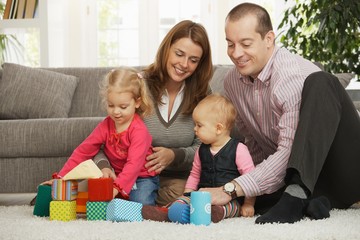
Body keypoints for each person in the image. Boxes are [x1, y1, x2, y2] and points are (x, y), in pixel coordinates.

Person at [200, 2, 360, 224]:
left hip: (347, 168)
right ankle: (312, 201)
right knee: (253, 198)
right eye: (230, 44)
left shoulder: (289, 75)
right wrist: (247, 192)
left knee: (321, 81)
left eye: (246, 44)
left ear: (268, 39)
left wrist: (231, 188)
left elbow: (290, 151)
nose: (236, 54)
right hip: (311, 182)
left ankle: (297, 196)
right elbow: (252, 143)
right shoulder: (232, 82)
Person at [96, 20, 213, 206]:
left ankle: (138, 203)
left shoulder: (202, 94)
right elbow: (103, 139)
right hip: (133, 177)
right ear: (167, 49)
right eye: (179, 54)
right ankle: (139, 202)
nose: (184, 64)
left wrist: (175, 155)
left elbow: (207, 146)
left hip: (176, 182)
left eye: (193, 60)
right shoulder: (139, 85)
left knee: (192, 193)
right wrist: (104, 167)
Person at [42, 68, 159, 206]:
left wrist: (116, 189)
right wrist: (61, 177)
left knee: (140, 203)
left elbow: (133, 166)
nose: (116, 112)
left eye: (123, 107)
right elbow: (84, 150)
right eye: (111, 105)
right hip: (114, 174)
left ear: (137, 103)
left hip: (142, 177)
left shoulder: (139, 131)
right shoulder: (106, 125)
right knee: (93, 197)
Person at [142, 93, 256, 223]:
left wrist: (249, 204)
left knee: (228, 208)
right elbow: (195, 175)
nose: (194, 129)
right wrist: (186, 195)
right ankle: (165, 212)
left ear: (218, 128)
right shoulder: (201, 150)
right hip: (200, 197)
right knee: (179, 204)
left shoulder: (239, 149)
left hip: (230, 199)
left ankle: (211, 214)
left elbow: (250, 179)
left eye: (199, 125)